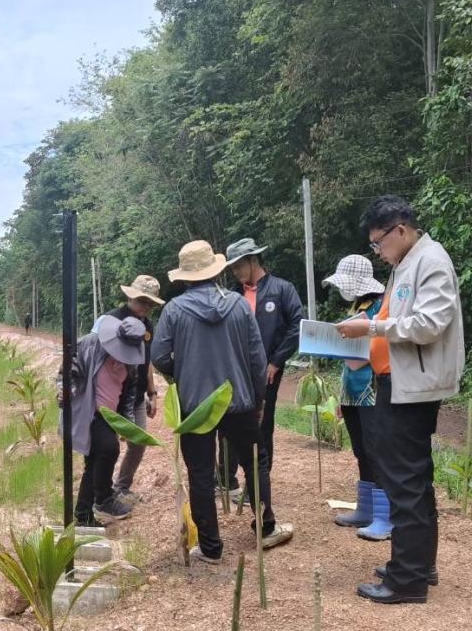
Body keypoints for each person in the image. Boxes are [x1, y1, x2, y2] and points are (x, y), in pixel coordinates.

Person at [336, 196, 463, 604]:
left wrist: (371, 326)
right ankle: (417, 564)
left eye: (378, 243)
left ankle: (407, 580)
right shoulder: (405, 263)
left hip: (411, 386)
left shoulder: (431, 261)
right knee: (410, 478)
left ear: (400, 231)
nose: (378, 251)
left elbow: (428, 325)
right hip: (397, 381)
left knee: (404, 480)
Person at [152, 240, 294, 563]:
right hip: (239, 400)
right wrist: (258, 398)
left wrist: (183, 371)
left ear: (186, 277)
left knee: (200, 473)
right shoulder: (239, 305)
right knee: (254, 463)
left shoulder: (174, 310)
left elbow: (159, 355)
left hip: (196, 406)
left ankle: (211, 547)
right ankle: (266, 526)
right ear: (215, 271)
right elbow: (257, 358)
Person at [217, 237, 303, 499]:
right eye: (231, 268)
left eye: (238, 266)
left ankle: (257, 486)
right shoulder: (232, 296)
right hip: (234, 373)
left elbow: (297, 325)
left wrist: (276, 361)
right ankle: (226, 481)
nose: (235, 272)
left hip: (267, 372)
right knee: (227, 422)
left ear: (253, 260)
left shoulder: (282, 289)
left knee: (262, 425)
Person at [321, 255, 388, 535]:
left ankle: (385, 517)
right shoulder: (358, 307)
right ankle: (366, 509)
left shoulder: (379, 309)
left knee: (377, 452)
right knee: (361, 451)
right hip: (353, 392)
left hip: (372, 392)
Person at [63, 314, 146, 526]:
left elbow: (128, 394)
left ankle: (84, 513)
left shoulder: (130, 363)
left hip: (110, 415)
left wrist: (127, 424)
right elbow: (68, 367)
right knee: (108, 449)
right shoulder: (90, 344)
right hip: (89, 410)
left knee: (94, 461)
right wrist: (67, 390)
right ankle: (103, 499)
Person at [107, 275, 165, 502]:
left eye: (150, 303)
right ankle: (102, 493)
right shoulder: (111, 320)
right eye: (143, 301)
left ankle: (122, 486)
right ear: (131, 296)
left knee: (138, 442)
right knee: (108, 447)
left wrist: (152, 393)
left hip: (137, 396)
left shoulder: (147, 325)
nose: (146, 307)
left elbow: (146, 360)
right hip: (112, 397)